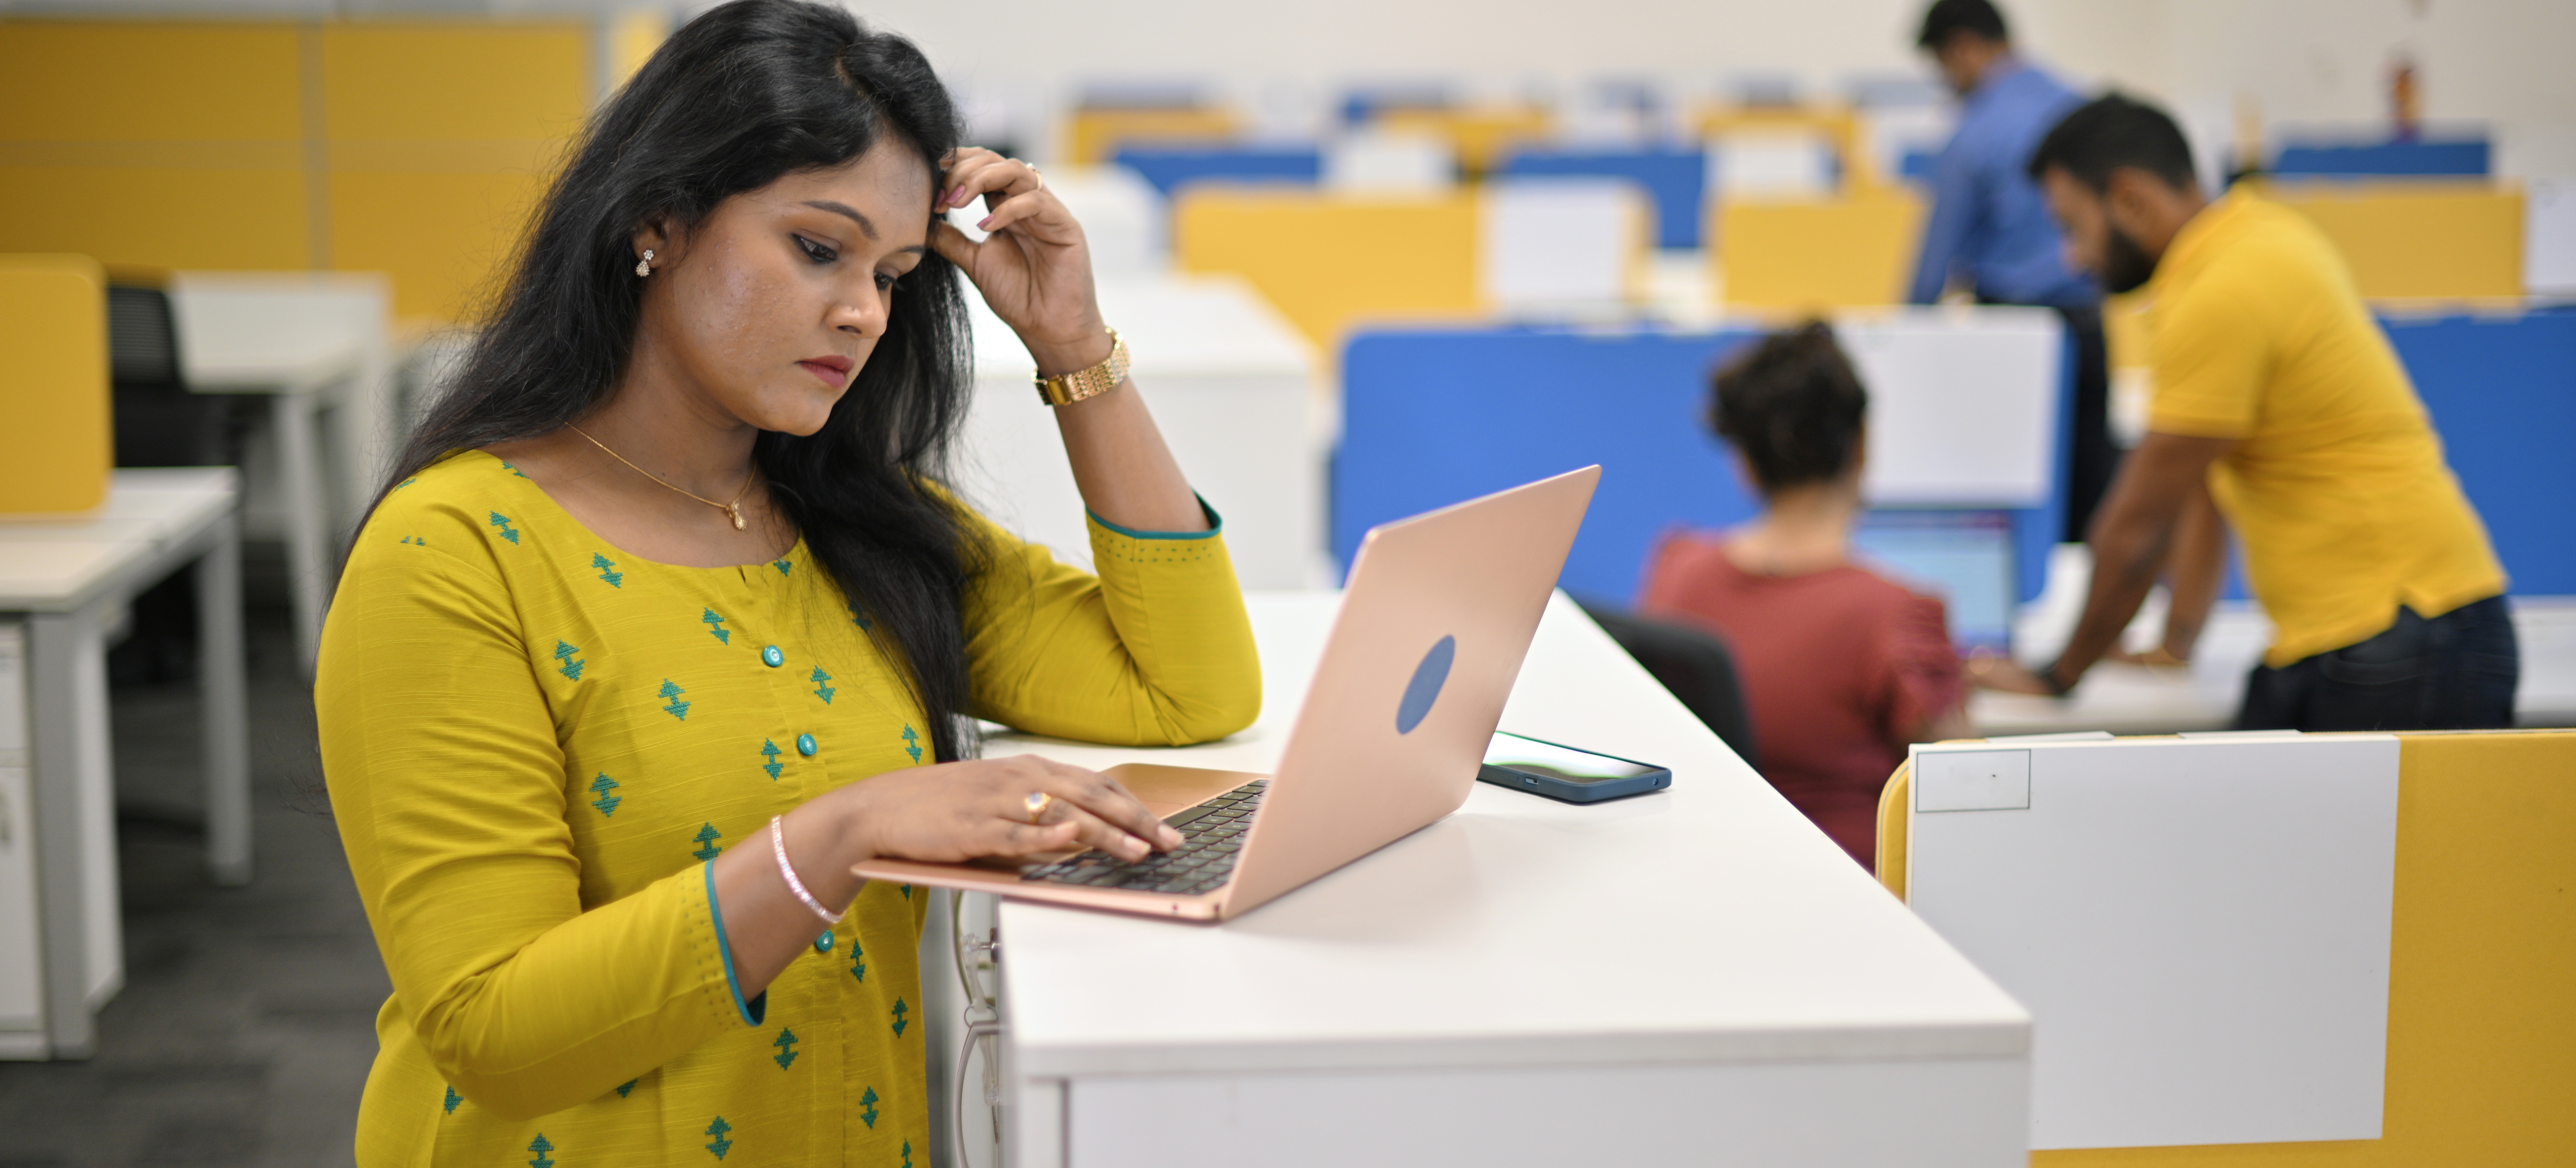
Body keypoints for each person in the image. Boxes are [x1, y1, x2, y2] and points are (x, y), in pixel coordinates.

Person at [313, 2, 1261, 1162]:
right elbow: (494, 1029)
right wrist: (844, 833)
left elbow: (1189, 688)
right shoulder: (453, 554)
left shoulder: (856, 529)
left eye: (896, 273)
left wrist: (1074, 349)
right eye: (818, 248)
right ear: (657, 220)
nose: (864, 311)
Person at [1975, 94, 2518, 731]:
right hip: (2385, 628)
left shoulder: (2220, 291)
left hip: (2403, 630)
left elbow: (2137, 528)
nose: (2074, 258)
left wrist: (2057, 675)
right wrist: (2178, 642)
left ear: (2129, 199)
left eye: (2073, 226)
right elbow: (2202, 479)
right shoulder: (2255, 237)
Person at [1638, 323, 1968, 869]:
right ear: (1862, 446)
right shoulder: (1897, 616)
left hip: (1706, 888)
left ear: (1743, 462)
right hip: (1856, 914)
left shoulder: (1678, 568)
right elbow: (1970, 797)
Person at [1908, 0, 2114, 543]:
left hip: (2010, 334)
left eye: (1944, 70)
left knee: (2011, 501)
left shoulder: (1974, 132)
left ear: (1964, 50)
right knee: (2090, 489)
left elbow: (1935, 265)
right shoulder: (2080, 106)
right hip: (2090, 322)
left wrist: (1907, 335)